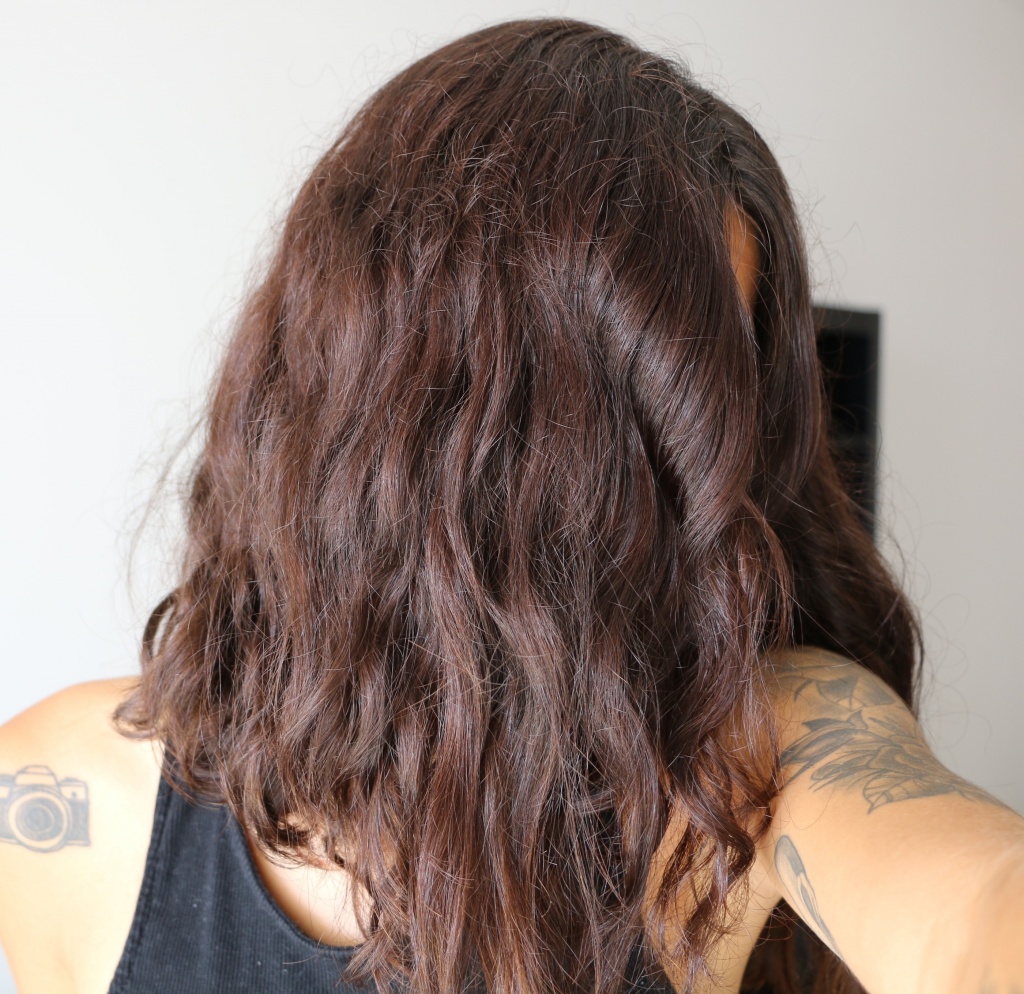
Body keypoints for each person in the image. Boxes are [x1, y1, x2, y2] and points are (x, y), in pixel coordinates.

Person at [0, 17, 1021, 994]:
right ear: (383, 415)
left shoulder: (752, 756)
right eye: (608, 426)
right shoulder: (62, 802)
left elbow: (970, 902)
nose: (691, 505)